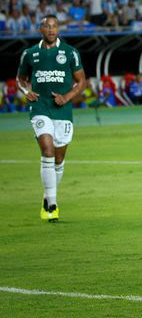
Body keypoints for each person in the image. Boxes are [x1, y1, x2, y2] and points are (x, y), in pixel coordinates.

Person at [16, 15, 87, 222]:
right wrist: (25, 90)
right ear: (41, 29)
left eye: (54, 26)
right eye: (47, 26)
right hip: (40, 106)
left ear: (58, 29)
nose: (51, 30)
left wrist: (66, 97)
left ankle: (47, 198)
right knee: (47, 150)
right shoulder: (30, 54)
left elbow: (81, 82)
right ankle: (52, 205)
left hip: (62, 110)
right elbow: (20, 78)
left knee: (58, 158)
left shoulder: (70, 53)